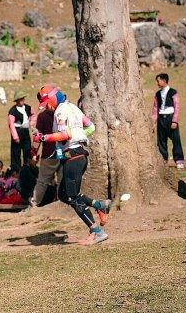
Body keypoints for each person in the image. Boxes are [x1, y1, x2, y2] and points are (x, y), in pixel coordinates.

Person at [39, 87, 112, 246]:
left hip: (74, 156)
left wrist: (43, 137)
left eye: (47, 103)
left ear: (53, 99)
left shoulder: (59, 112)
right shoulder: (73, 108)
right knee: (64, 194)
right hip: (78, 155)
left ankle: (97, 231)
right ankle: (100, 205)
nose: (47, 107)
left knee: (72, 196)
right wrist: (62, 153)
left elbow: (66, 135)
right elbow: (91, 127)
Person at [31, 85, 62, 207]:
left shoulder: (43, 116)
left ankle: (34, 203)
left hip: (49, 154)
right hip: (63, 152)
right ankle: (61, 202)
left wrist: (34, 153)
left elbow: (37, 137)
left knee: (43, 180)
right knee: (62, 180)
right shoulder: (62, 112)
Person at [151, 73, 185, 169]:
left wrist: (174, 121)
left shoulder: (173, 92)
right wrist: (153, 123)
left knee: (176, 140)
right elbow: (155, 108)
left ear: (164, 81)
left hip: (170, 119)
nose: (157, 83)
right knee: (161, 141)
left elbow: (177, 107)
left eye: (158, 81)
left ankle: (179, 161)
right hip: (161, 119)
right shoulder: (157, 94)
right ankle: (163, 160)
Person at [8, 90, 36, 168]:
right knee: (16, 153)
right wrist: (15, 137)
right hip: (17, 131)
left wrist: (30, 124)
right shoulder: (12, 111)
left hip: (25, 132)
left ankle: (27, 167)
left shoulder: (28, 107)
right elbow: (11, 125)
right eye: (20, 99)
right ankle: (16, 169)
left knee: (27, 150)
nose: (22, 101)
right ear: (17, 100)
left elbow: (33, 115)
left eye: (23, 99)